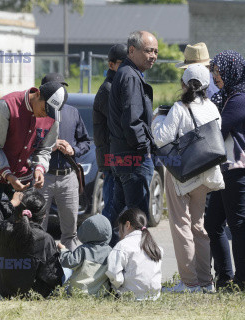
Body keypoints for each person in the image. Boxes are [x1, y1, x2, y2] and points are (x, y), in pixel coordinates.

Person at [0, 81, 67, 299]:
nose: (45, 115)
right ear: (36, 94)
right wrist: (8, 175)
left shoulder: (53, 115)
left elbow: (46, 149)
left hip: (22, 172)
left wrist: (39, 167)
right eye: (44, 109)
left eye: (51, 112)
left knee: (27, 221)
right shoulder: (7, 106)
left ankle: (27, 278)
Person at [152, 64, 224, 293]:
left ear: (183, 84)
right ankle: (206, 281)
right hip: (206, 173)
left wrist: (157, 119)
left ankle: (189, 282)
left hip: (182, 174)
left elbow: (162, 139)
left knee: (181, 225)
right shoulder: (212, 107)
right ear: (206, 85)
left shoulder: (179, 107)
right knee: (199, 226)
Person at [204, 51, 245, 290]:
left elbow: (218, 130)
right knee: (213, 223)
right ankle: (225, 276)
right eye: (213, 71)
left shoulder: (241, 99)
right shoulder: (231, 96)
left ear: (232, 71)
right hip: (227, 169)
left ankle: (242, 279)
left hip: (238, 169)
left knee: (238, 225)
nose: (215, 76)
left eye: (218, 71)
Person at [107, 31, 158, 245]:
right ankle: (137, 269)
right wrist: (145, 148)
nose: (153, 55)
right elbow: (132, 120)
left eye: (156, 51)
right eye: (148, 50)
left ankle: (107, 264)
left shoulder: (129, 73)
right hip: (133, 158)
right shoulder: (129, 76)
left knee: (118, 216)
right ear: (132, 50)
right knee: (138, 219)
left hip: (123, 156)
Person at [39, 73, 90, 251]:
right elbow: (27, 146)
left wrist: (73, 150)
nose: (62, 91)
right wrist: (49, 146)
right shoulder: (37, 113)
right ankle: (39, 264)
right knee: (37, 227)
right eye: (57, 87)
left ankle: (69, 267)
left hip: (68, 178)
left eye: (63, 87)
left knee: (70, 231)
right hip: (43, 178)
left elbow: (86, 142)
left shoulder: (72, 112)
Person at [0, 190, 63, 298]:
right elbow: (53, 277)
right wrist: (62, 254)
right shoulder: (45, 239)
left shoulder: (4, 229)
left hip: (7, 292)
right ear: (43, 216)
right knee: (67, 269)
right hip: (35, 295)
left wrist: (11, 203)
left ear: (19, 211)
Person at [93, 44, 127, 220]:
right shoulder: (108, 89)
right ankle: (108, 246)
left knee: (121, 209)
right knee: (112, 210)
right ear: (111, 64)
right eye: (123, 63)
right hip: (112, 159)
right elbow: (122, 123)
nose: (127, 67)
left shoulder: (119, 85)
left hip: (120, 158)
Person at [106, 208, 163, 300]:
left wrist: (114, 287)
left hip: (130, 296)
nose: (119, 233)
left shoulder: (122, 246)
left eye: (120, 228)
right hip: (154, 295)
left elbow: (115, 275)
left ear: (127, 225)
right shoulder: (154, 245)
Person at [59, 214, 113, 296]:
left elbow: (69, 262)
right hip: (99, 294)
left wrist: (63, 250)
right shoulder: (110, 251)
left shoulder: (83, 249)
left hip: (77, 292)